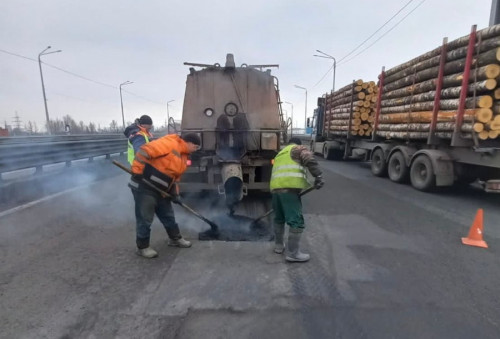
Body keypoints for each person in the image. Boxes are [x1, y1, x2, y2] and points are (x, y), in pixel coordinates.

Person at [129, 132, 202, 258]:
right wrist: (137, 170)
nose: (195, 150)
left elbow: (175, 178)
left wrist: (175, 194)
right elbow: (144, 151)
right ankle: (142, 247)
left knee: (168, 215)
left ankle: (175, 239)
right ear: (189, 142)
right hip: (145, 186)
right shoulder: (169, 143)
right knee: (145, 217)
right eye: (195, 147)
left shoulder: (184, 156)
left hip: (161, 190)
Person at [270, 138, 324, 262]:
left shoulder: (280, 153)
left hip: (275, 190)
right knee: (296, 221)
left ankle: (279, 247)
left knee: (279, 218)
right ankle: (293, 254)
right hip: (289, 190)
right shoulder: (297, 149)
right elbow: (309, 159)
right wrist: (318, 176)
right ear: (297, 144)